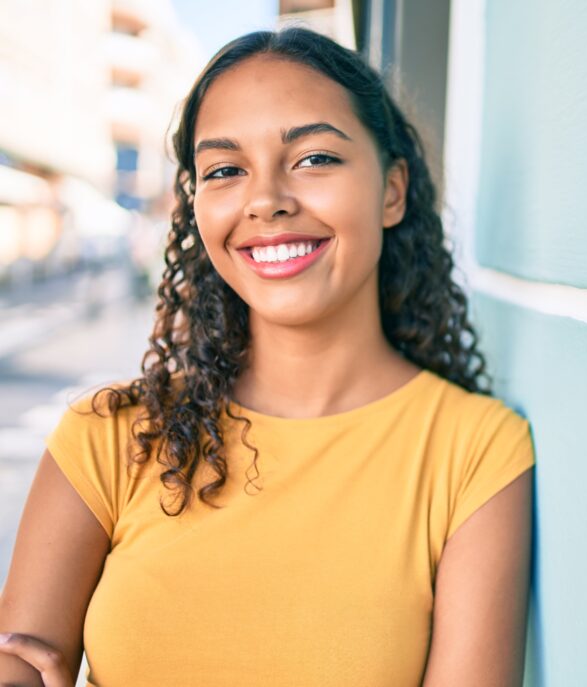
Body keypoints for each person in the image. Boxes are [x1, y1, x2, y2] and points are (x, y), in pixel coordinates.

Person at [0, 27, 535, 686]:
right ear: (196, 206)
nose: (266, 199)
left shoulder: (476, 452)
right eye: (225, 169)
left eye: (314, 159)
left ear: (392, 190)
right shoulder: (107, 437)